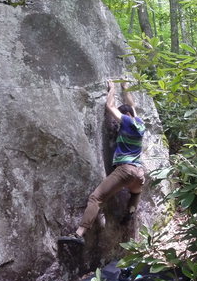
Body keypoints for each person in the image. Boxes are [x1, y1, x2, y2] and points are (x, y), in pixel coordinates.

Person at [60, 80, 146, 245]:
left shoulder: (126, 122)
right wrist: (126, 88)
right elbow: (132, 105)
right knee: (135, 193)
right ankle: (130, 212)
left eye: (119, 120)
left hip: (126, 170)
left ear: (125, 116)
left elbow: (110, 107)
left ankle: (79, 233)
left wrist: (112, 89)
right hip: (139, 173)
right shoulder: (139, 123)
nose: (117, 123)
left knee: (96, 198)